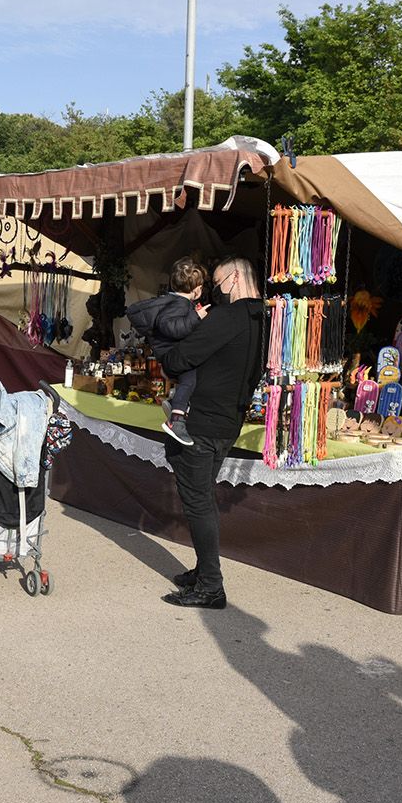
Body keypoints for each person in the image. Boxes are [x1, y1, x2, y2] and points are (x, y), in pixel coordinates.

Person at [158, 257, 267, 610]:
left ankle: (210, 586)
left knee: (198, 502)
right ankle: (204, 570)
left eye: (218, 282)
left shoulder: (227, 317)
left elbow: (178, 360)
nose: (215, 290)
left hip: (202, 424)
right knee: (202, 497)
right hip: (227, 423)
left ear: (234, 279)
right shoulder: (264, 319)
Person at [126, 256, 210, 447]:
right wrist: (195, 318)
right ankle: (176, 420)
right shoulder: (178, 304)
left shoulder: (171, 302)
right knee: (190, 378)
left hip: (169, 354)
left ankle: (175, 402)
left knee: (190, 379)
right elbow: (171, 327)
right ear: (197, 289)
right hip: (173, 354)